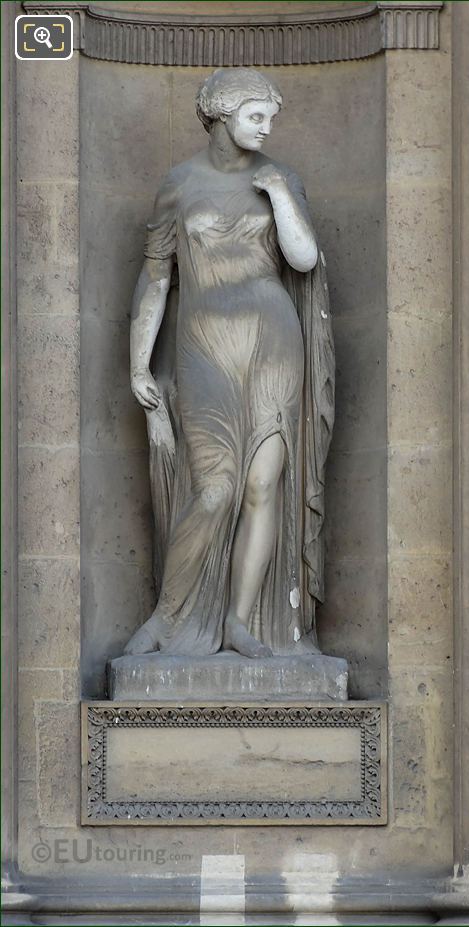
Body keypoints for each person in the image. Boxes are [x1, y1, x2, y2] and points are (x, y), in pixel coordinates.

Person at [124, 68, 334, 658]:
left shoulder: (280, 178)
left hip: (274, 342)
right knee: (215, 487)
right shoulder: (179, 184)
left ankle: (241, 620)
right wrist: (139, 362)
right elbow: (156, 277)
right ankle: (168, 618)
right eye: (255, 116)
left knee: (264, 484)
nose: (266, 128)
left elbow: (304, 257)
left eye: (270, 118)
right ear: (220, 116)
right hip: (205, 345)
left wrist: (280, 195)